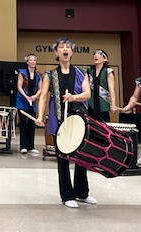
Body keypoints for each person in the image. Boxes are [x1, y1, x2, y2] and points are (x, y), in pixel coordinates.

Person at [35, 38, 96, 208]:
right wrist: (40, 115)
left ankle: (82, 193)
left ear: (72, 52)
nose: (65, 50)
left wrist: (74, 97)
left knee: (82, 157)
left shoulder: (81, 72)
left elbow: (87, 94)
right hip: (59, 118)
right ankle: (67, 195)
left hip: (79, 119)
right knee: (62, 159)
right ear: (56, 53)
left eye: (68, 47)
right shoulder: (50, 74)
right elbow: (44, 96)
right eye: (61, 47)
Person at [15, 54, 41, 155]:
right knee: (23, 124)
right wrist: (26, 96)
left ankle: (31, 146)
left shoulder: (38, 75)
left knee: (31, 123)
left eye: (34, 60)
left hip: (32, 102)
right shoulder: (22, 73)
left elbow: (40, 89)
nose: (33, 62)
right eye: (31, 60)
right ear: (27, 62)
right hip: (22, 101)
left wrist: (35, 96)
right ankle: (23, 146)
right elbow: (19, 86)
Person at [87, 49, 117, 121]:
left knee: (103, 129)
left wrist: (113, 104)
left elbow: (111, 89)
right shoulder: (89, 71)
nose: (95, 55)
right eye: (94, 53)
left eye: (99, 53)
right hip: (90, 105)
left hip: (103, 105)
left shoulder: (108, 71)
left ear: (104, 59)